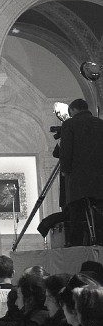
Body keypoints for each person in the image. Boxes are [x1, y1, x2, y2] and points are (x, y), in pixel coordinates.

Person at [58, 98, 103, 245]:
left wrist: (65, 170)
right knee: (100, 216)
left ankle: (75, 247)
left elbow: (66, 151)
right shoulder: (100, 124)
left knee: (76, 216)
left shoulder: (69, 124)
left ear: (72, 110)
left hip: (78, 181)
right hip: (99, 181)